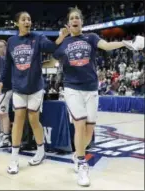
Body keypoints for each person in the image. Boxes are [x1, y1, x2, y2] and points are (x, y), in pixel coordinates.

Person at [53, 7, 144, 187]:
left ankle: (78, 154)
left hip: (92, 88)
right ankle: (82, 163)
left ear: (82, 22)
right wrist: (61, 37)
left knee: (88, 130)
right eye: (71, 18)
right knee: (79, 126)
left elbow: (107, 46)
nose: (75, 20)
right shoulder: (64, 42)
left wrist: (128, 42)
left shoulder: (92, 37)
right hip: (72, 88)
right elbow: (53, 52)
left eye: (77, 17)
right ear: (68, 23)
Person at [0, 11, 67, 174]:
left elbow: (51, 47)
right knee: (19, 119)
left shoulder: (38, 37)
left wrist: (61, 37)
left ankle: (41, 151)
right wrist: (2, 80)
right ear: (17, 23)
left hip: (35, 86)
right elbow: (8, 65)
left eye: (29, 19)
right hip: (18, 87)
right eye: (23, 19)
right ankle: (14, 159)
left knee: (34, 120)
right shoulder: (11, 41)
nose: (27, 21)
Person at [0, 40, 12, 148]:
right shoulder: (0, 59)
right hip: (0, 89)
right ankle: (2, 135)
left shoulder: (6, 59)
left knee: (4, 114)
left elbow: (2, 76)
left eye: (1, 46)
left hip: (6, 88)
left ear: (6, 47)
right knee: (0, 113)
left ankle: (6, 139)